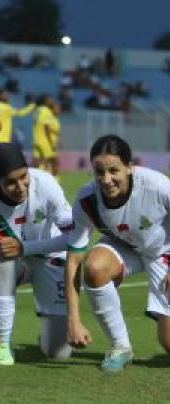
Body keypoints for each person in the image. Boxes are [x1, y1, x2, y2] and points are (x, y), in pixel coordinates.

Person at [0, 143, 73, 366]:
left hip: (50, 258)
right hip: (11, 262)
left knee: (57, 353)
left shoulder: (46, 184)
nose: (20, 186)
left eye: (23, 176)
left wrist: (25, 248)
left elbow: (74, 239)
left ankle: (50, 332)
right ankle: (3, 346)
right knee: (2, 253)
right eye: (10, 182)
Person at [65, 135, 170, 372]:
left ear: (130, 167)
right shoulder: (86, 200)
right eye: (99, 172)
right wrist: (73, 319)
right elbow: (73, 260)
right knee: (94, 267)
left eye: (114, 171)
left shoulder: (157, 186)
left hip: (165, 250)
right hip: (128, 248)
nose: (106, 179)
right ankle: (120, 347)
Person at [32, 95, 61, 177]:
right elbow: (46, 128)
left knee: (37, 163)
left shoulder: (37, 110)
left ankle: (37, 179)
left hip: (36, 140)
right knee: (53, 162)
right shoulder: (46, 111)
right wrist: (52, 143)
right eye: (50, 99)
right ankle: (55, 180)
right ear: (45, 101)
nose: (52, 100)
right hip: (44, 141)